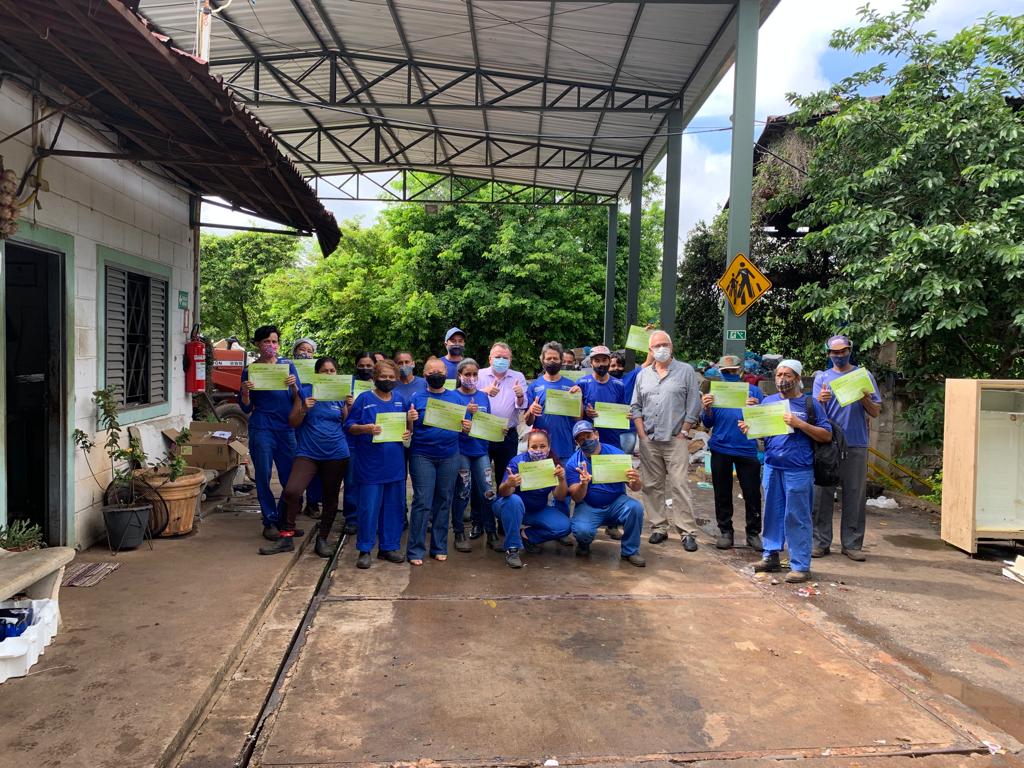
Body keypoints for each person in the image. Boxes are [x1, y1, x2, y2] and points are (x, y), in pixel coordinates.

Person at [739, 359, 832, 583]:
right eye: (779, 375)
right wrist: (749, 429)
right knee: (772, 513)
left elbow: (826, 435)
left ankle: (800, 564)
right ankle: (770, 555)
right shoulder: (769, 401)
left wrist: (801, 425)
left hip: (798, 469)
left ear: (798, 378)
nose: (782, 379)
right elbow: (764, 434)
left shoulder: (810, 404)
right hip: (772, 466)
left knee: (797, 517)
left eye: (787, 375)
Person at [260, 356, 350, 558]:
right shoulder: (306, 392)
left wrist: (349, 404)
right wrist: (304, 408)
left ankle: (323, 538)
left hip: (336, 453)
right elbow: (292, 422)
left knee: (330, 497)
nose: (328, 374)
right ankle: (286, 536)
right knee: (292, 491)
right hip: (308, 452)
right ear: (316, 374)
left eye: (332, 371)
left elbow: (347, 423)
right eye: (324, 371)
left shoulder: (339, 395)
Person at [630, 331, 703, 551]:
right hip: (649, 439)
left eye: (665, 344)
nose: (661, 348)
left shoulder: (686, 371)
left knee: (680, 484)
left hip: (675, 439)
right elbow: (636, 405)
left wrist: (685, 430)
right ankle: (658, 527)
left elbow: (694, 403)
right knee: (652, 486)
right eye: (656, 346)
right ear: (650, 351)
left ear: (671, 347)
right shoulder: (643, 375)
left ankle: (687, 531)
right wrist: (641, 433)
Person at [812, 335, 882, 561]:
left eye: (843, 351)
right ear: (828, 354)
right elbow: (814, 414)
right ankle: (820, 542)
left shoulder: (863, 375)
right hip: (828, 444)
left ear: (850, 351)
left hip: (856, 443)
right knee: (822, 493)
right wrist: (820, 400)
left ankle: (852, 544)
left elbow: (876, 411)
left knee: (854, 494)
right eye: (835, 352)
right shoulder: (821, 378)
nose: (840, 356)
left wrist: (864, 398)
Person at [343, 359, 411, 569]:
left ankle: (388, 547)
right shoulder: (364, 399)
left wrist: (409, 431)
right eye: (383, 377)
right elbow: (349, 425)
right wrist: (366, 428)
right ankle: (365, 549)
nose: (387, 380)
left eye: (391, 377)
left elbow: (408, 431)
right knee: (369, 508)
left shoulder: (400, 399)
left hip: (395, 465)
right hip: (370, 465)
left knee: (393, 507)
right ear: (375, 378)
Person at [240, 325, 302, 542]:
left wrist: (293, 386)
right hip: (262, 427)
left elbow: (299, 397)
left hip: (285, 428)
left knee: (290, 478)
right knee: (264, 475)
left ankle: (285, 518)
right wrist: (246, 392)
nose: (271, 346)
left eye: (274, 341)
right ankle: (269, 521)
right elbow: (246, 408)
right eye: (266, 341)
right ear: (257, 344)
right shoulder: (251, 370)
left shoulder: (287, 365)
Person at [406, 357, 467, 564]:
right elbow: (407, 431)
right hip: (422, 454)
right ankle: (415, 550)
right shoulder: (416, 397)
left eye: (441, 371)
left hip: (450, 455)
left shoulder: (457, 399)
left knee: (444, 500)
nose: (437, 375)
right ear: (425, 375)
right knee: (422, 501)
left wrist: (466, 427)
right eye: (433, 372)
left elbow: (463, 428)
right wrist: (410, 421)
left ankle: (439, 546)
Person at [700, 354, 763, 550]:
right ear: (720, 372)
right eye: (725, 372)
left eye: (733, 371)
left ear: (740, 371)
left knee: (752, 493)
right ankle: (726, 531)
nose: (729, 374)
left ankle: (753, 533)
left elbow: (762, 422)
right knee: (722, 493)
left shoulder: (753, 392)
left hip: (747, 449)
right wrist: (707, 408)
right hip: (721, 447)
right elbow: (707, 423)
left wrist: (757, 408)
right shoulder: (714, 392)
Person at [564, 421, 646, 567]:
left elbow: (635, 488)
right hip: (589, 505)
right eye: (580, 439)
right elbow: (576, 497)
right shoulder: (573, 463)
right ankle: (584, 543)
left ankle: (630, 551)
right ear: (576, 442)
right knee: (582, 531)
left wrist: (636, 480)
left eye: (588, 435)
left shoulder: (617, 454)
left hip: (616, 503)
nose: (586, 441)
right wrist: (583, 484)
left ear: (596, 434)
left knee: (636, 508)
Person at [492, 429, 572, 568]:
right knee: (514, 500)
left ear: (549, 447)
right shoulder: (518, 462)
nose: (538, 450)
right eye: (534, 447)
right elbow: (503, 493)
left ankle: (526, 536)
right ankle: (512, 549)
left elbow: (560, 496)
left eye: (542, 446)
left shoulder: (552, 464)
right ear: (527, 448)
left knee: (565, 526)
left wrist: (562, 479)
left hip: (536, 510)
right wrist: (509, 484)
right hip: (509, 506)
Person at [579, 345, 629, 541]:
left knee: (615, 478)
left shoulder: (618, 385)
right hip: (589, 441)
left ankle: (613, 523)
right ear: (591, 363)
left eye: (604, 360)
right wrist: (586, 412)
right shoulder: (582, 383)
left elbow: (621, 410)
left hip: (612, 438)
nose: (601, 364)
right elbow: (576, 412)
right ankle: (587, 517)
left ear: (610, 362)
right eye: (597, 360)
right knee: (587, 479)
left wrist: (626, 415)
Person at [477, 342, 528, 531]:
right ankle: (479, 522)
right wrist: (484, 392)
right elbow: (467, 397)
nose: (501, 360)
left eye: (505, 357)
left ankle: (502, 521)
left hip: (508, 435)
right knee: (481, 479)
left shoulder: (518, 377)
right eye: (497, 357)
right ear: (490, 359)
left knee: (505, 477)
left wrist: (520, 395)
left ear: (510, 359)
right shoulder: (480, 375)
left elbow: (522, 406)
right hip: (482, 434)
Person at [452, 358, 501, 552]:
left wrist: (498, 430)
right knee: (463, 492)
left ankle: (491, 532)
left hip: (481, 451)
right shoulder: (453, 396)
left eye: (474, 374)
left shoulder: (483, 396)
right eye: (467, 374)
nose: (471, 378)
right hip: (461, 451)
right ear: (460, 376)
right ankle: (458, 532)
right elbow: (449, 424)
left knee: (488, 491)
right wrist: (466, 412)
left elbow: (486, 424)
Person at [525, 341, 580, 462]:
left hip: (565, 446)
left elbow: (578, 419)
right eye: (548, 358)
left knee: (564, 481)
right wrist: (531, 410)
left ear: (561, 360)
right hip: (540, 450)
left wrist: (578, 400)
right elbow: (528, 422)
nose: (552, 361)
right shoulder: (534, 386)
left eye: (555, 358)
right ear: (542, 360)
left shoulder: (571, 385)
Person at [340, 352, 375, 536]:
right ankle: (352, 518)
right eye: (361, 365)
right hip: (353, 440)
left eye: (369, 365)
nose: (365, 369)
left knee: (372, 481)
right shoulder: (349, 384)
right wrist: (348, 405)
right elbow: (345, 418)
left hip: (374, 440)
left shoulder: (382, 384)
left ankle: (370, 517)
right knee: (352, 480)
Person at [291, 338, 323, 520]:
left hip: (313, 421)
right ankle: (296, 501)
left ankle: (313, 503)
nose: (305, 353)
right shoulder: (286, 368)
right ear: (295, 351)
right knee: (296, 463)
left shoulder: (318, 372)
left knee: (314, 463)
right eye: (302, 349)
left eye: (309, 351)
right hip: (293, 419)